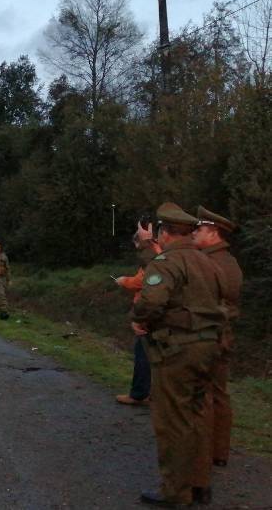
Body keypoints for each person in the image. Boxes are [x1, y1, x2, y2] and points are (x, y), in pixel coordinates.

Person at [131, 202, 226, 507]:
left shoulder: (168, 262)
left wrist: (139, 317)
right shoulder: (207, 261)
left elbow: (151, 301)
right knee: (198, 415)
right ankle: (200, 485)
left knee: (172, 421)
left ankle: (176, 492)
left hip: (178, 351)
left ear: (165, 232)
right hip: (208, 347)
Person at [193, 206, 242, 473]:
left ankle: (204, 454)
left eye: (199, 229)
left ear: (213, 233)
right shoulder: (228, 260)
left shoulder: (210, 262)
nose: (194, 234)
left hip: (209, 336)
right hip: (222, 335)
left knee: (206, 395)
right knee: (220, 393)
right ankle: (219, 452)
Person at [115, 226, 162, 406]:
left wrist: (123, 281)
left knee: (143, 354)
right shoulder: (165, 254)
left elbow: (142, 280)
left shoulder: (152, 257)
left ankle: (138, 393)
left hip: (147, 312)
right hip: (158, 312)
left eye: (137, 244)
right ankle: (153, 393)